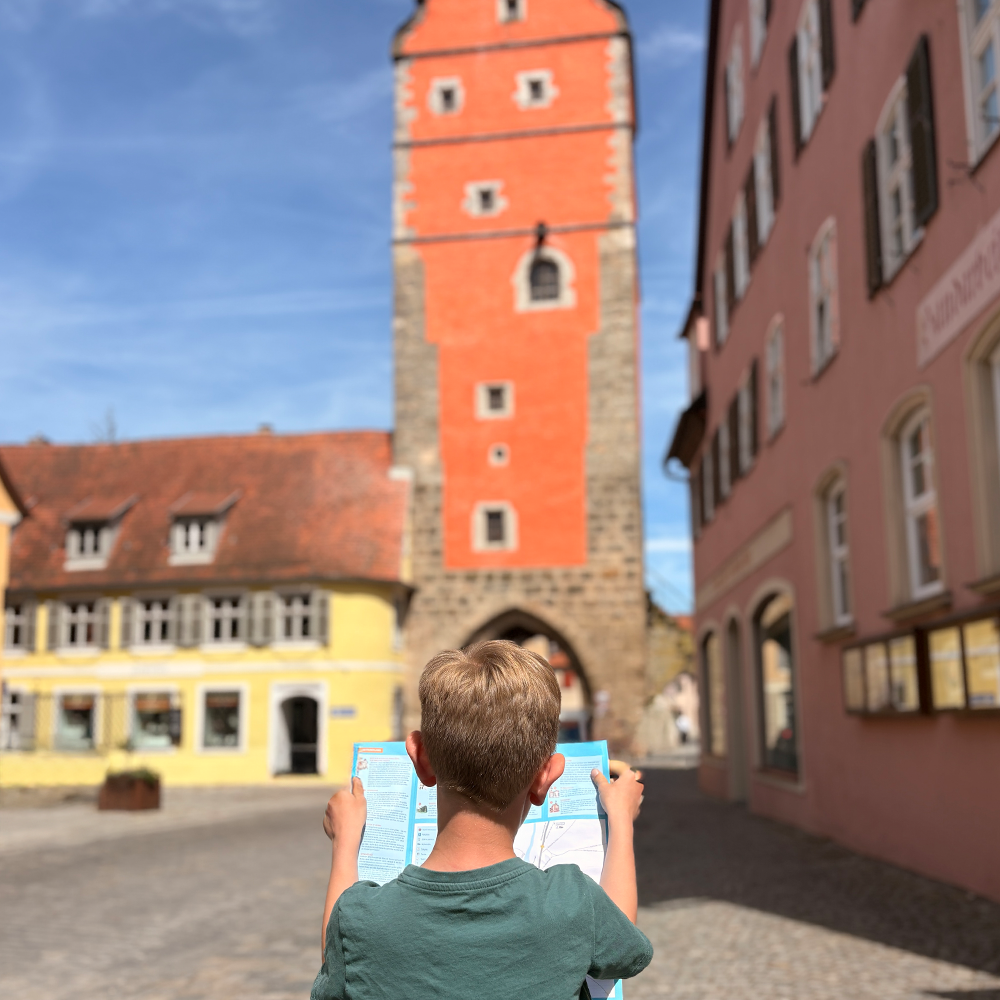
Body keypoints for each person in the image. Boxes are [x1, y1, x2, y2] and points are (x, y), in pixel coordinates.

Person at [312, 639, 652, 1000]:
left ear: (420, 759)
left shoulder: (359, 916)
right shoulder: (573, 901)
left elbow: (338, 968)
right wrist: (621, 822)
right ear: (546, 777)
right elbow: (623, 944)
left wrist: (345, 846)